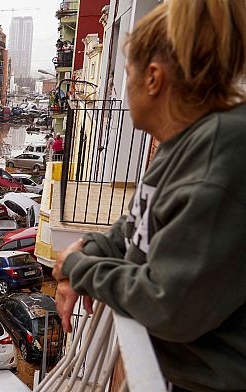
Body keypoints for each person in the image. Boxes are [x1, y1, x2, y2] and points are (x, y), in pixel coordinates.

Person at [52, 1, 246, 391]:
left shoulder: (217, 160)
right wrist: (90, 247)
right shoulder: (183, 143)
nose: (124, 86)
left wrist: (78, 269)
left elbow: (167, 304)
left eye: (127, 73)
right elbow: (136, 223)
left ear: (153, 78)